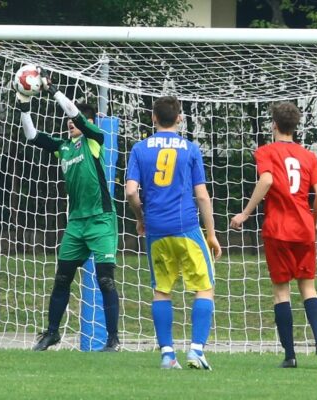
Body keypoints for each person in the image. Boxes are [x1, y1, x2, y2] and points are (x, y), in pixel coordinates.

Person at [15, 68, 121, 352]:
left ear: (88, 123)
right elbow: (32, 135)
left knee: (106, 280)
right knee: (62, 278)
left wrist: (52, 90)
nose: (70, 124)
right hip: (76, 223)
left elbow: (74, 113)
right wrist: (24, 104)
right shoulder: (63, 147)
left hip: (100, 220)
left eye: (75, 121)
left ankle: (113, 339)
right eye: (69, 122)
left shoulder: (95, 139)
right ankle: (51, 333)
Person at [230, 102, 317, 369]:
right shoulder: (309, 157)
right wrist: (312, 220)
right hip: (304, 229)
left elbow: (266, 180)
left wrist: (245, 213)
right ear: (295, 126)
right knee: (309, 287)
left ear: (274, 125)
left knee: (281, 293)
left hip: (278, 229)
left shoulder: (266, 151)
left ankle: (290, 356)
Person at [125, 96, 221, 370]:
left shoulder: (139, 149)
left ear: (153, 118)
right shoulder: (190, 149)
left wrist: (141, 217)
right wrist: (211, 234)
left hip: (156, 229)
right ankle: (196, 350)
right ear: (179, 118)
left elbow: (131, 191)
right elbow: (202, 196)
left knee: (161, 290)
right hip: (186, 227)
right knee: (204, 287)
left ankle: (168, 354)